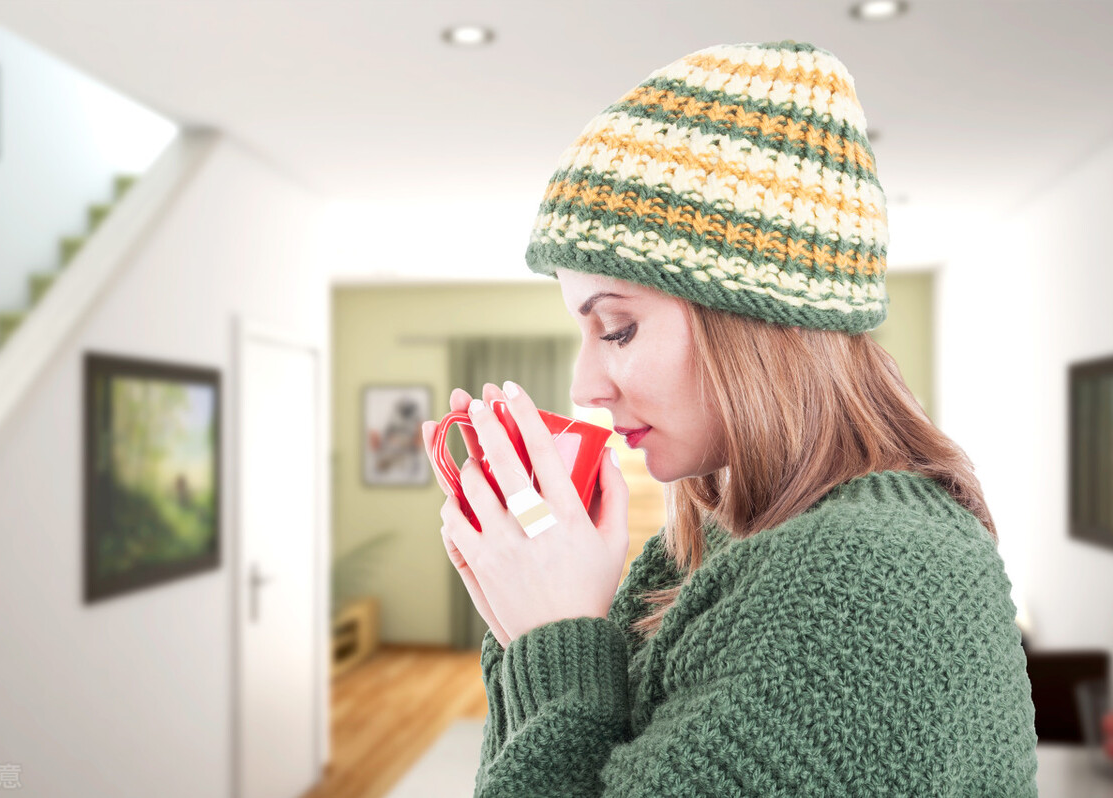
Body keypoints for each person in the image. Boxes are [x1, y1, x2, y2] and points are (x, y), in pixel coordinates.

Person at [420, 40, 1038, 796]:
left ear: (751, 322)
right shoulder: (711, 548)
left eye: (617, 328)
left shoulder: (860, 584)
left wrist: (558, 641)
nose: (587, 384)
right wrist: (530, 632)